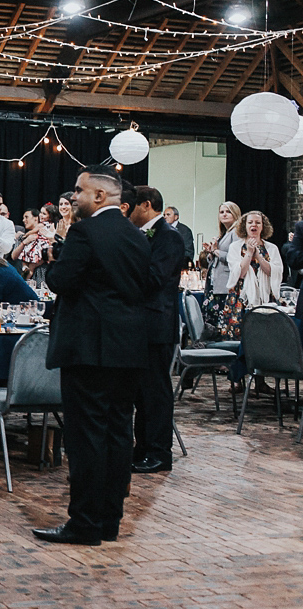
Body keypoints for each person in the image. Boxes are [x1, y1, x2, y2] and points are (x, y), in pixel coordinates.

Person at [34, 165, 151, 546]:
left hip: (89, 348)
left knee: (86, 438)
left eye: (79, 191)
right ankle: (109, 521)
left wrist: (56, 260)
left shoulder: (85, 231)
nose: (74, 198)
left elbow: (61, 282)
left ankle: (83, 523)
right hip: (129, 347)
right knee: (119, 434)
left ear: (100, 196)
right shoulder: (137, 237)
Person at [128, 186, 184, 475]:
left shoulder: (169, 237)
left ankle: (160, 453)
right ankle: (142, 448)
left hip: (157, 324)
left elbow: (155, 279)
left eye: (132, 206)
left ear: (146, 206)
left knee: (156, 393)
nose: (127, 212)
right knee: (141, 393)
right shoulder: (142, 235)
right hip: (141, 324)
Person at [220, 211, 282, 340]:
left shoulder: (272, 248)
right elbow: (239, 273)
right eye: (250, 222)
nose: (254, 225)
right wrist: (249, 253)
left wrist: (259, 256)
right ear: (245, 226)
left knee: (266, 337)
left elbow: (274, 271)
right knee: (241, 336)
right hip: (240, 295)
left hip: (265, 296)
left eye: (258, 222)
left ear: (263, 227)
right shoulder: (235, 247)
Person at [197, 201, 241, 333]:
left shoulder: (236, 232)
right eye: (222, 212)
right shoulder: (225, 233)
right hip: (215, 282)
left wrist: (216, 251)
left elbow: (236, 258)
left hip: (225, 284)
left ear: (235, 214)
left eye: (228, 212)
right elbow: (216, 260)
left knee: (220, 323)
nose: (224, 215)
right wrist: (211, 252)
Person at [12, 207, 53, 283]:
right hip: (24, 277)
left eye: (26, 217)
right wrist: (24, 242)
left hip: (42, 276)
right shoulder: (22, 237)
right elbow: (13, 256)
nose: (24, 220)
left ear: (35, 218)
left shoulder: (47, 231)